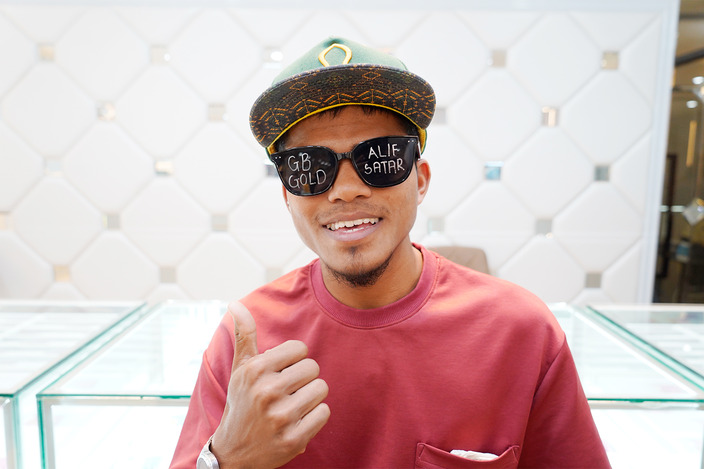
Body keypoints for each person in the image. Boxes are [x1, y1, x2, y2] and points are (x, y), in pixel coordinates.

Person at [170, 37, 610, 469]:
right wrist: (228, 461)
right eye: (310, 168)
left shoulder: (522, 334)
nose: (346, 190)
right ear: (288, 196)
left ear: (420, 180)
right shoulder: (246, 347)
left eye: (379, 158)